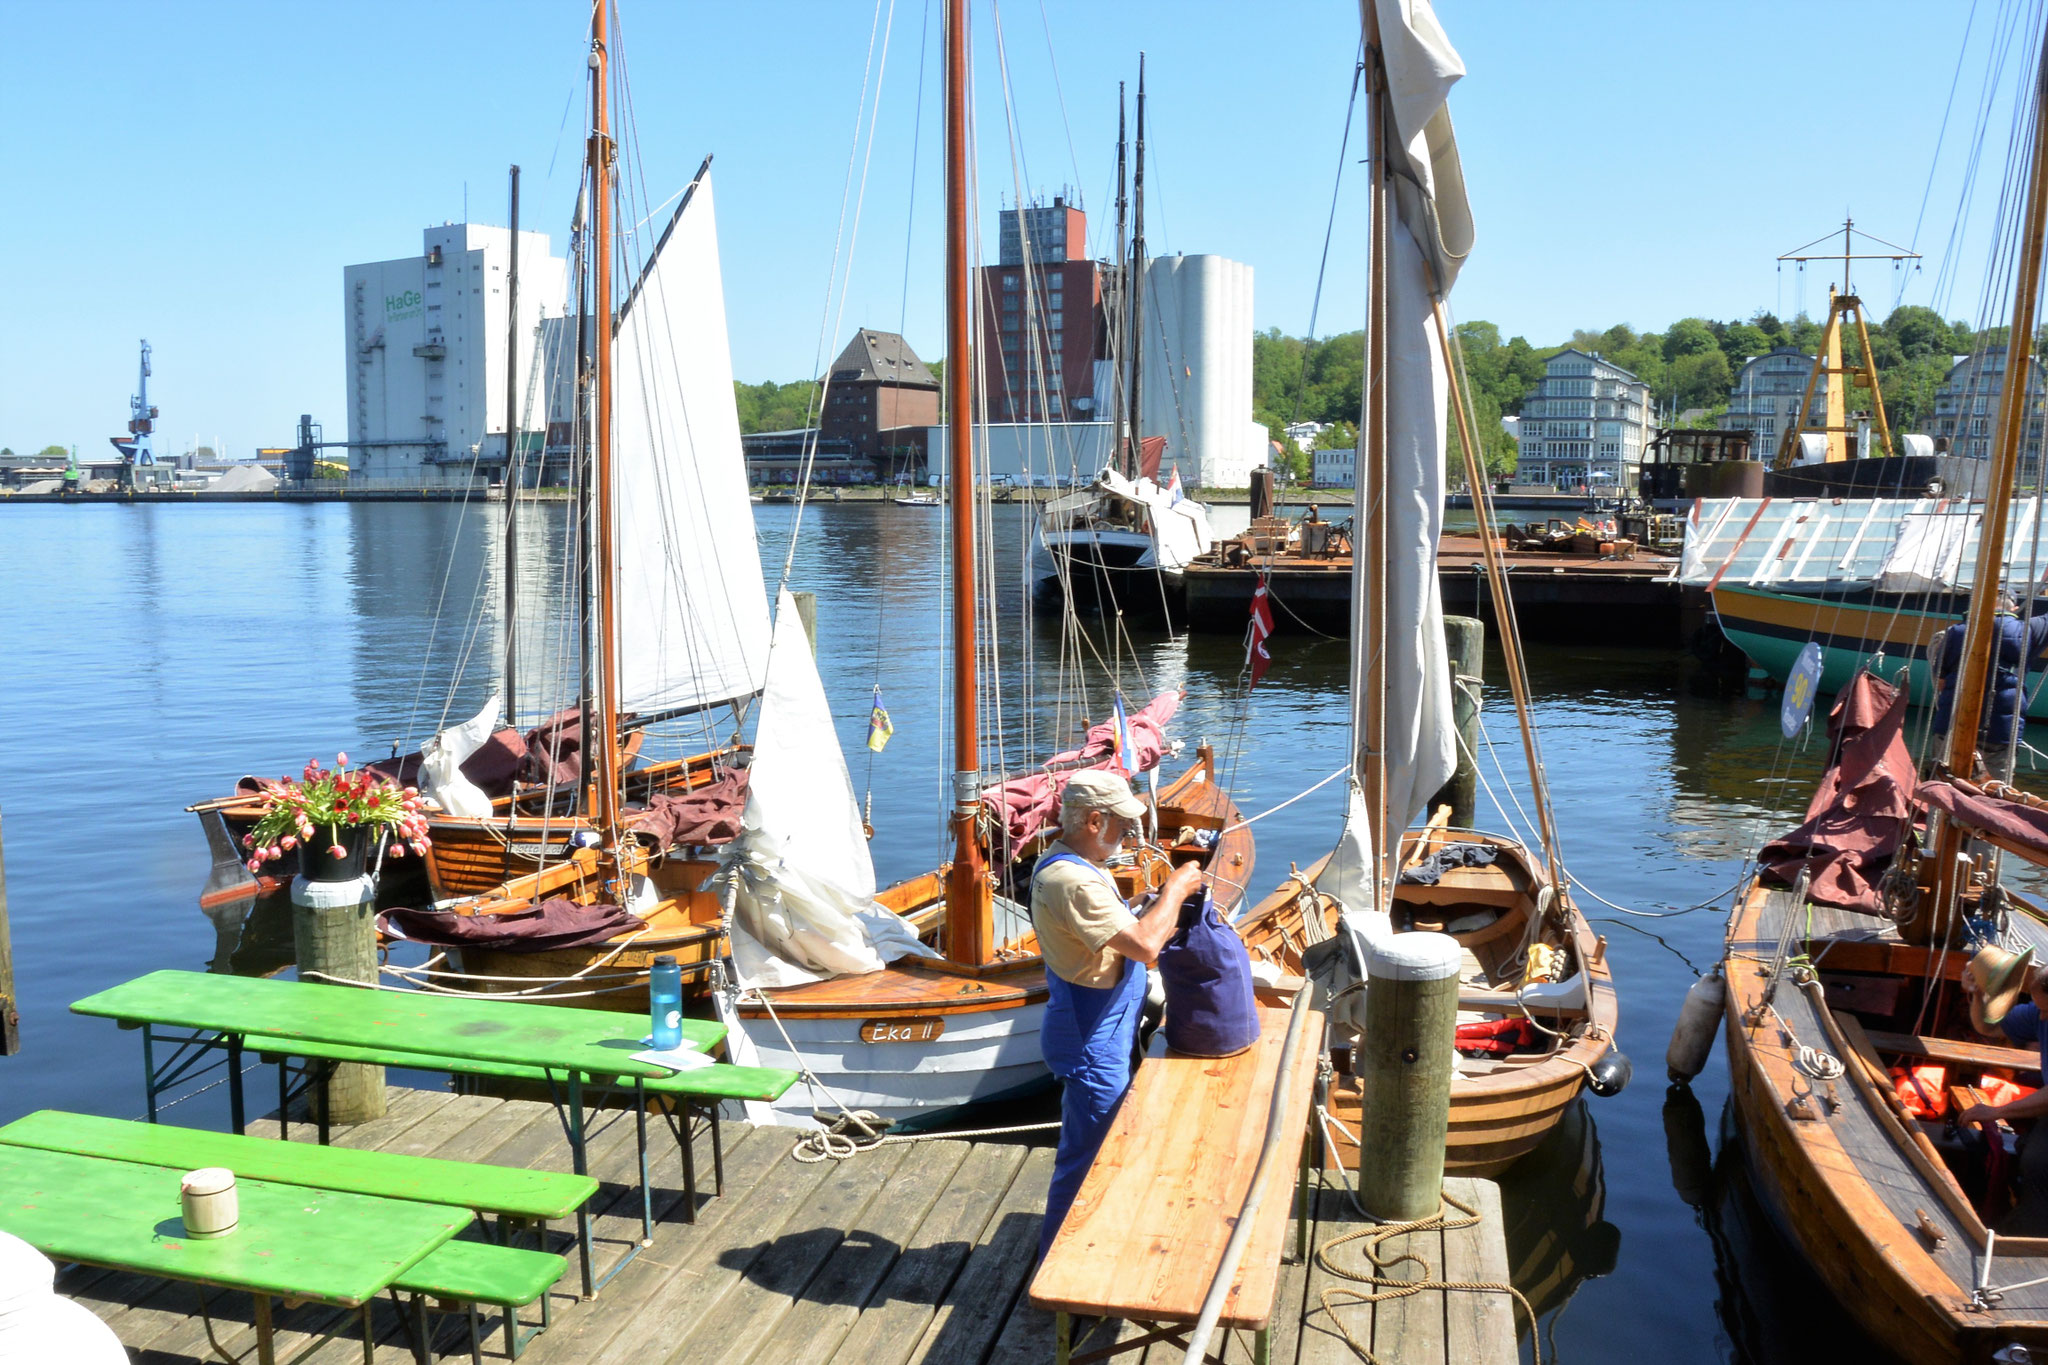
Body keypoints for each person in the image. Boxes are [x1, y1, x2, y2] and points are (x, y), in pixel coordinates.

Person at [1031, 768, 1202, 1264]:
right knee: (1083, 1160)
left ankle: (1082, 1248)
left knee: (1097, 1149)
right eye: (1122, 827)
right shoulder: (1071, 879)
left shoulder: (1072, 860)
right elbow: (1146, 946)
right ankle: (1057, 1272)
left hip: (1098, 1027)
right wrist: (1174, 890)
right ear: (1092, 820)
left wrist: (1137, 906)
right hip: (1089, 1042)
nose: (1128, 836)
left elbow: (1111, 925)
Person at [1960, 950, 2048, 1233]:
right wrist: (1978, 996)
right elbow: (1990, 1025)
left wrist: (1996, 1111)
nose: (2042, 1018)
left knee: (2037, 1165)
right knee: (2026, 1149)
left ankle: (2025, 1239)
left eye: (2047, 1010)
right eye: (2039, 1009)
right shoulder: (2039, 1013)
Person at [1929, 593, 2048, 779]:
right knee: (1994, 795)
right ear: (2014, 609)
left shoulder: (1956, 632)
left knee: (1942, 789)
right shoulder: (2027, 632)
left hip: (1952, 725)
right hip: (1999, 732)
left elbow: (1941, 682)